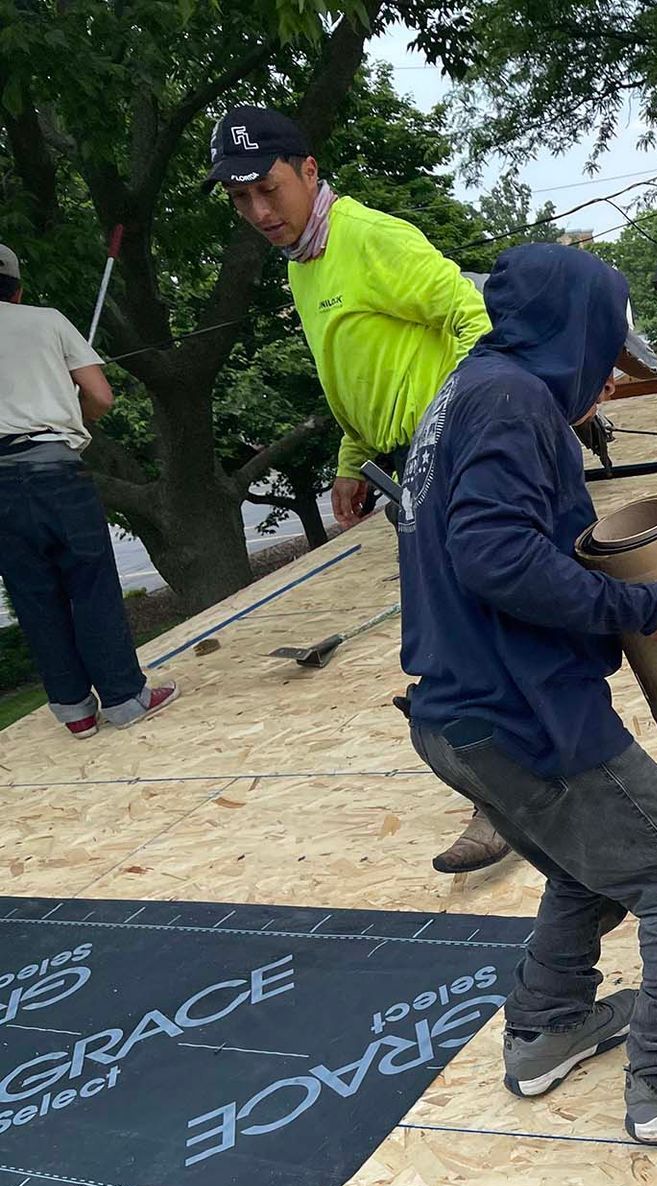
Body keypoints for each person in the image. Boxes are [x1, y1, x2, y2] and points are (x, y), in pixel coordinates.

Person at [395, 242, 657, 1144]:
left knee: (587, 867)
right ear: (570, 331)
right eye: (606, 354)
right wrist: (642, 606)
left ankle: (544, 1030)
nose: (609, 379)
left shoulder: (471, 389)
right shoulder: (514, 402)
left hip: (458, 715)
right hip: (519, 710)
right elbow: (492, 556)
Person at [209, 103, 509, 876]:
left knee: (468, 634)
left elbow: (477, 321)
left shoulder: (370, 239)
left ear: (309, 171)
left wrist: (464, 433)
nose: (258, 211)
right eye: (240, 199)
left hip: (455, 453)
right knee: (454, 635)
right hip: (409, 459)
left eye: (268, 189)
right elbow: (360, 369)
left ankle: (508, 800)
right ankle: (512, 786)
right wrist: (350, 456)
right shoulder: (306, 262)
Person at [0, 242, 178, 738]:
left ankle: (74, 711)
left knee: (33, 594)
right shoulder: (46, 320)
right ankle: (123, 698)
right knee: (90, 585)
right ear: (16, 289)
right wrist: (74, 421)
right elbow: (99, 395)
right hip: (56, 468)